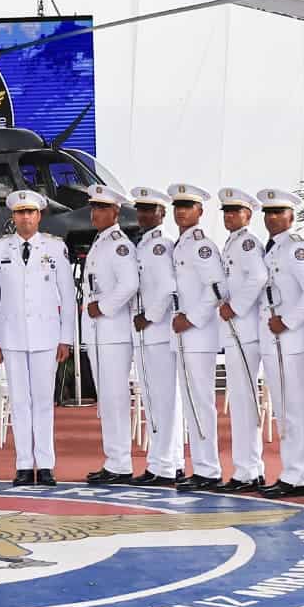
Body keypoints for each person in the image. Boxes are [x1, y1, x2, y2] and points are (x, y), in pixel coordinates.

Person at [0, 189, 74, 486]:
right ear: (13, 216)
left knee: (44, 402)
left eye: (31, 212)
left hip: (46, 336)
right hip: (11, 336)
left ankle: (45, 465)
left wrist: (66, 337)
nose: (25, 217)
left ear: (39, 216)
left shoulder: (54, 247)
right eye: (20, 212)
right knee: (19, 402)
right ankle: (24, 465)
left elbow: (68, 296)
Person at [254, 189, 304, 499]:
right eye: (268, 213)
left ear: (291, 218)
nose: (272, 218)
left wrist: (289, 321)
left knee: (292, 408)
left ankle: (296, 474)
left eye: (279, 212)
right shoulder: (269, 249)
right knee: (281, 408)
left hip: (290, 339)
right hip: (272, 338)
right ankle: (288, 471)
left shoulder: (295, 250)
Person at [80, 185, 139, 484]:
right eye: (94, 207)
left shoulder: (119, 244)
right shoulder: (101, 241)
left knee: (114, 399)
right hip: (100, 334)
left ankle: (121, 463)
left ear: (115, 212)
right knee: (107, 399)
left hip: (113, 333)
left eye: (102, 208)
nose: (96, 213)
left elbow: (129, 284)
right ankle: (114, 460)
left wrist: (101, 307)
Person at [168, 183, 225, 490]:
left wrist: (191, 319)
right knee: (191, 401)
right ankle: (201, 466)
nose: (181, 212)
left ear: (200, 212)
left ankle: (208, 469)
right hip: (184, 336)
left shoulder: (201, 246)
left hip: (198, 335)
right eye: (178, 207)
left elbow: (217, 288)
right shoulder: (181, 244)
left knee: (201, 401)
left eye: (188, 207)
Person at [129, 186, 183, 487]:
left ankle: (164, 465)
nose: (144, 215)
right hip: (148, 334)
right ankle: (165, 461)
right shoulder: (145, 244)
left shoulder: (160, 246)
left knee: (162, 400)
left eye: (150, 210)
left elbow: (166, 288)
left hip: (156, 332)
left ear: (162, 214)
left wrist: (148, 316)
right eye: (141, 209)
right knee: (156, 400)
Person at [215, 188, 268, 492]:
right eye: (226, 211)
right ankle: (246, 468)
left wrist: (235, 306)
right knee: (239, 400)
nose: (230, 216)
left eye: (235, 211)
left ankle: (248, 470)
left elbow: (258, 277)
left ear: (248, 215)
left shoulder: (247, 242)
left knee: (245, 401)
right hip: (236, 331)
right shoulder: (233, 243)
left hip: (244, 331)